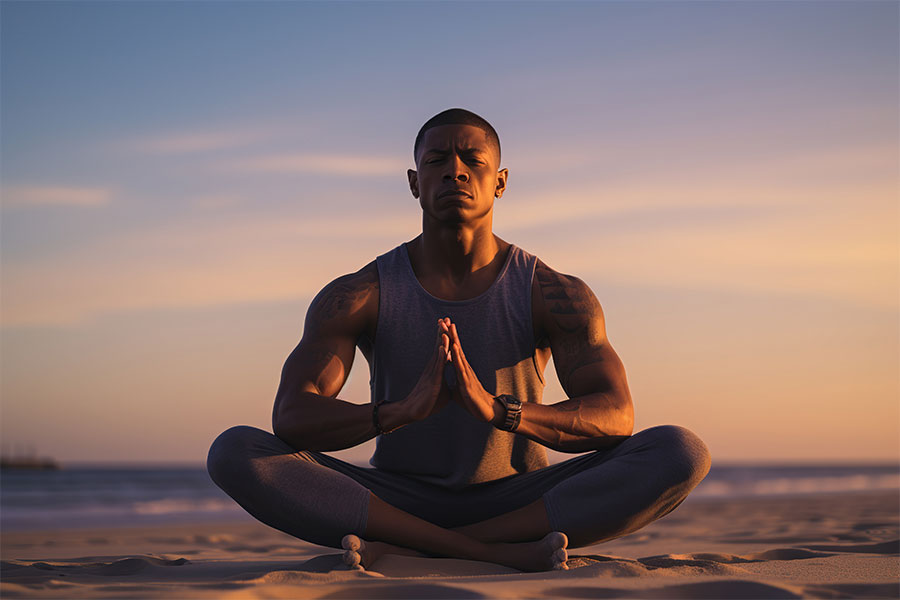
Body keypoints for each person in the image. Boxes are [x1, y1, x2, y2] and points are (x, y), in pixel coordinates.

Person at [207, 108, 711, 572]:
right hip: (396, 498)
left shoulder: (552, 292)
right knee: (233, 451)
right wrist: (398, 412)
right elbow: (293, 417)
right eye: (436, 160)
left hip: (520, 498)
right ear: (414, 182)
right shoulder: (360, 294)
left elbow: (616, 416)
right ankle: (484, 553)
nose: (455, 171)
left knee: (680, 450)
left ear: (501, 181)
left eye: (473, 159)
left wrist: (501, 412)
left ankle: (428, 547)